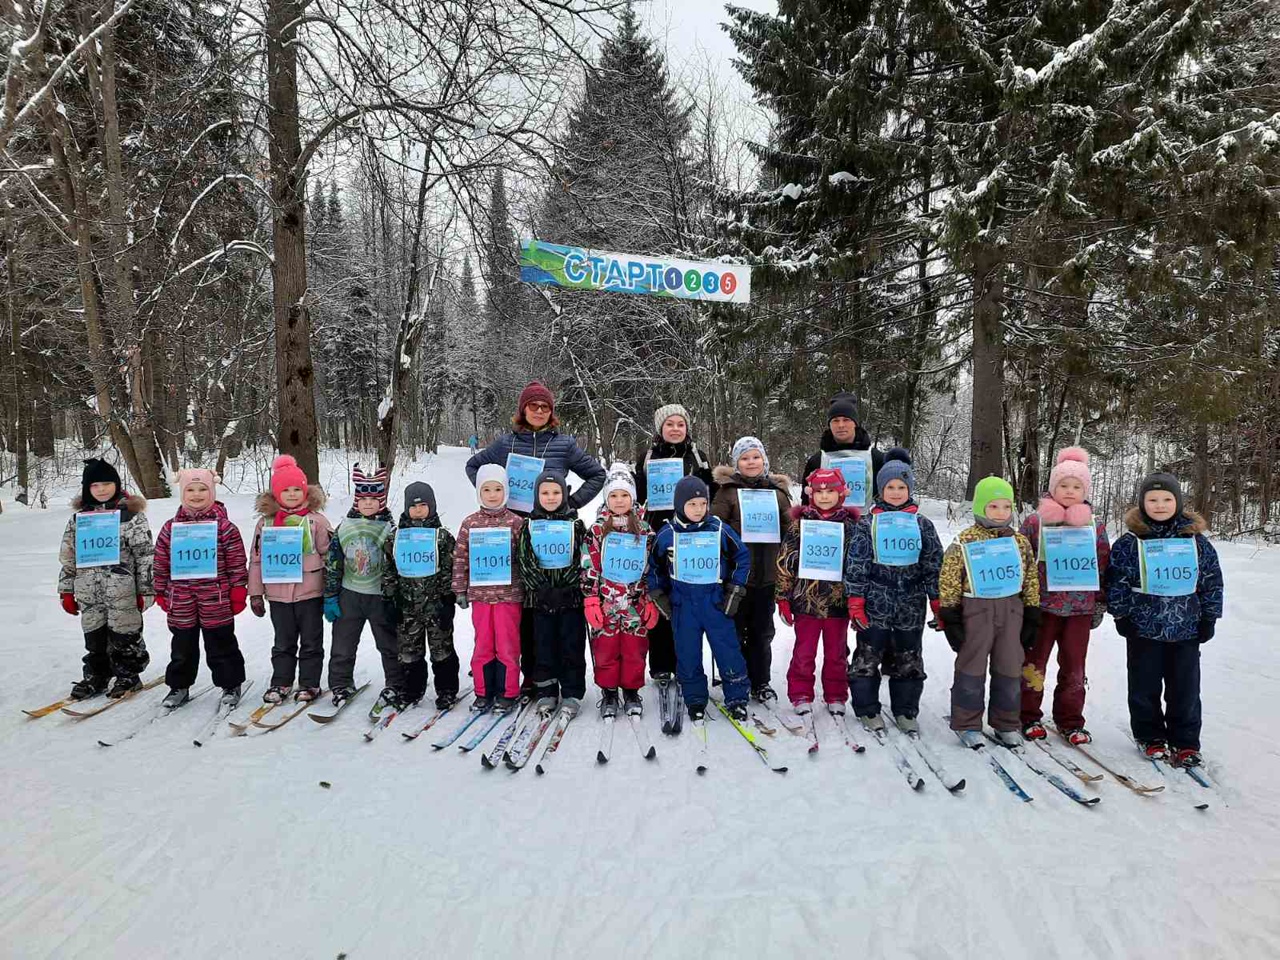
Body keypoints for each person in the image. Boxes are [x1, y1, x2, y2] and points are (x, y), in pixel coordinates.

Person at [465, 380, 605, 693]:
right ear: (523, 409)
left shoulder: (564, 444)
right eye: (533, 406)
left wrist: (573, 502)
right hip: (516, 530)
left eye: (545, 407)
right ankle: (530, 673)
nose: (539, 411)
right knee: (524, 606)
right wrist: (494, 495)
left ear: (551, 412)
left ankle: (559, 671)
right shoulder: (506, 444)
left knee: (554, 604)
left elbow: (597, 474)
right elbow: (474, 465)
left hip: (555, 530)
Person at [1106, 473, 1223, 767]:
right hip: (1143, 628)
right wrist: (1121, 615)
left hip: (1186, 628)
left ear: (1178, 502)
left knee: (1185, 688)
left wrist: (1209, 616)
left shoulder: (1195, 541)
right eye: (1152, 500)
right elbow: (1117, 579)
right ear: (1143, 503)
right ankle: (1150, 736)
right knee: (1144, 686)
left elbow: (1211, 580)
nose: (1160, 505)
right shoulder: (1130, 542)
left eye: (1167, 499)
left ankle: (1185, 742)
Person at [843, 453, 944, 732]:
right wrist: (855, 600)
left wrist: (937, 600)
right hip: (876, 599)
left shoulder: (922, 524)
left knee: (909, 657)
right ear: (881, 490)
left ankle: (906, 710)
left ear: (910, 490)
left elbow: (933, 564)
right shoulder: (867, 524)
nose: (896, 493)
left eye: (901, 487)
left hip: (911, 601)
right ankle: (866, 708)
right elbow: (856, 563)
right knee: (867, 655)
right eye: (890, 487)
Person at [1018, 447, 1111, 744]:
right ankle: (1028, 715)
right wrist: (1022, 601)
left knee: (1074, 667)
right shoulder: (1035, 523)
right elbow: (1021, 558)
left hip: (1080, 610)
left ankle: (1070, 720)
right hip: (1043, 607)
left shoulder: (1094, 526)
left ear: (1085, 490)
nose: (1069, 492)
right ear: (1052, 488)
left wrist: (1100, 602)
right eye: (1063, 485)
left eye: (1076, 487)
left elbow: (1103, 562)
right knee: (1035, 664)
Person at [937, 476, 1039, 745]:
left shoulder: (1019, 541)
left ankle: (1006, 722)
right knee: (971, 667)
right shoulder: (965, 540)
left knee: (1009, 667)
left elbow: (1030, 576)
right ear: (981, 508)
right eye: (994, 507)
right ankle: (967, 722)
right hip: (976, 609)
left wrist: (1032, 612)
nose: (1001, 513)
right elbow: (949, 577)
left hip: (1011, 610)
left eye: (1006, 507)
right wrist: (950, 614)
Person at [648, 476, 752, 721]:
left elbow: (743, 557)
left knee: (727, 650)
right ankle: (695, 697)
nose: (698, 509)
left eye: (702, 504)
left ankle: (737, 696)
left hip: (715, 602)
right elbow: (654, 567)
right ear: (679, 505)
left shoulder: (719, 529)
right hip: (683, 604)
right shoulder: (667, 534)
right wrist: (658, 594)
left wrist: (735, 591)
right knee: (687, 653)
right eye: (691, 504)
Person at [57, 458, 154, 700]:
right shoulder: (79, 519)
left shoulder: (131, 516)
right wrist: (66, 590)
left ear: (117, 484)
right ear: (87, 489)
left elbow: (144, 555)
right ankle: (97, 675)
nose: (101, 489)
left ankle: (128, 675)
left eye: (107, 483)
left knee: (125, 634)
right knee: (94, 635)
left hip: (123, 588)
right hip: (88, 589)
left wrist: (147, 590)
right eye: (95, 485)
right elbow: (69, 556)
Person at [153, 468, 248, 709]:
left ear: (212, 491)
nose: (197, 495)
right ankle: (179, 686)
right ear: (182, 493)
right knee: (182, 646)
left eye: (203, 489)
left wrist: (238, 590)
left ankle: (231, 683)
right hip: (181, 599)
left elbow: (237, 562)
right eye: (190, 490)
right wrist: (160, 590)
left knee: (221, 644)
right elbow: (161, 561)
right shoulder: (170, 528)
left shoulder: (225, 528)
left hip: (215, 599)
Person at [634, 403, 714, 684]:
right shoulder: (646, 457)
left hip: (691, 538)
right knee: (659, 596)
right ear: (660, 429)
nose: (676, 429)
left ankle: (685, 661)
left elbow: (709, 495)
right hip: (658, 535)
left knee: (685, 601)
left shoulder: (698, 457)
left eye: (681, 424)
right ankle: (660, 665)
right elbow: (639, 497)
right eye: (670, 424)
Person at [711, 436, 793, 704]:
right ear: (737, 463)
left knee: (762, 633)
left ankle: (761, 680)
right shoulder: (726, 492)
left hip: (767, 577)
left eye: (755, 457)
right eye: (745, 458)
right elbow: (715, 529)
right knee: (733, 630)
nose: (751, 462)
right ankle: (736, 678)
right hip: (736, 578)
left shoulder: (778, 494)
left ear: (764, 460)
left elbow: (790, 532)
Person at [774, 468, 860, 716]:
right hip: (806, 602)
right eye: (819, 492)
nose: (824, 496)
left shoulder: (852, 526)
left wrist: (856, 598)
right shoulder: (799, 525)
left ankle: (836, 693)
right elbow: (785, 561)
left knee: (836, 653)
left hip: (838, 602)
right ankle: (801, 692)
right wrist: (783, 597)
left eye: (830, 491)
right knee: (804, 651)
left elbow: (858, 564)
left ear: (841, 494)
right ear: (811, 494)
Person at [247, 455, 332, 704]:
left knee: (311, 641)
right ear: (276, 493)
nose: (292, 494)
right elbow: (257, 559)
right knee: (283, 642)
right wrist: (255, 593)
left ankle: (309, 683)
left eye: (297, 489)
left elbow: (329, 554)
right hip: (278, 593)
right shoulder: (267, 523)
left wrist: (331, 589)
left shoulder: (316, 520)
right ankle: (281, 682)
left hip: (310, 592)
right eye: (286, 490)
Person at [581, 466, 658, 717]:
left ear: (633, 497)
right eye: (613, 495)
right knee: (606, 648)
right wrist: (591, 599)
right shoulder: (597, 530)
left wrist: (650, 599)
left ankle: (631, 690)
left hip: (635, 602)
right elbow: (589, 565)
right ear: (606, 498)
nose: (619, 500)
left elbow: (651, 568)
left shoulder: (645, 530)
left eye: (624, 495)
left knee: (635, 649)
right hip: (606, 603)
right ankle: (609, 691)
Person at [323, 464, 399, 712]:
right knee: (343, 644)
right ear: (357, 500)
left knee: (388, 643)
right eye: (363, 499)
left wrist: (398, 597)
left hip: (380, 597)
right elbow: (334, 562)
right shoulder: (344, 527)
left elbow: (398, 563)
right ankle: (341, 684)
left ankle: (396, 683)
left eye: (374, 499)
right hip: (350, 595)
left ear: (382, 501)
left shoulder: (391, 528)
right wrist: (331, 595)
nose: (368, 503)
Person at [452, 464, 525, 711]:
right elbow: (460, 558)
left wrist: (527, 589)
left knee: (507, 645)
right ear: (478, 492)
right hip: (481, 597)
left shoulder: (516, 523)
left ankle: (508, 691)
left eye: (497, 489)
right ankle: (483, 691)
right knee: (483, 644)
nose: (492, 495)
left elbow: (525, 559)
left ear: (505, 491)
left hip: (509, 597)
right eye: (486, 489)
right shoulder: (470, 523)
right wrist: (460, 589)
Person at [515, 470, 588, 716]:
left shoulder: (575, 525)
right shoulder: (529, 525)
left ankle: (572, 691)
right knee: (543, 646)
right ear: (536, 496)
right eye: (545, 493)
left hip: (570, 599)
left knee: (571, 646)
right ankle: (546, 691)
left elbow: (582, 557)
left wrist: (567, 587)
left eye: (556, 492)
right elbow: (525, 559)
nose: (550, 497)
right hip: (540, 600)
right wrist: (542, 588)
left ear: (564, 494)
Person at [382, 481, 459, 710]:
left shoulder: (442, 537)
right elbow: (388, 570)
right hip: (407, 607)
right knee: (409, 651)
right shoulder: (395, 538)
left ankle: (446, 690)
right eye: (413, 506)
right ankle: (412, 689)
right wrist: (389, 599)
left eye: (423, 505)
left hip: (435, 605)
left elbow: (450, 568)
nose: (418, 510)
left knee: (442, 650)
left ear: (432, 506)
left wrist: (448, 599)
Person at [799, 391, 884, 507]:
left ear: (855, 423)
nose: (841, 425)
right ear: (829, 425)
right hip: (828, 523)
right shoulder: (817, 461)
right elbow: (806, 503)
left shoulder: (876, 458)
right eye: (835, 420)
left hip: (867, 522)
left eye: (846, 419)